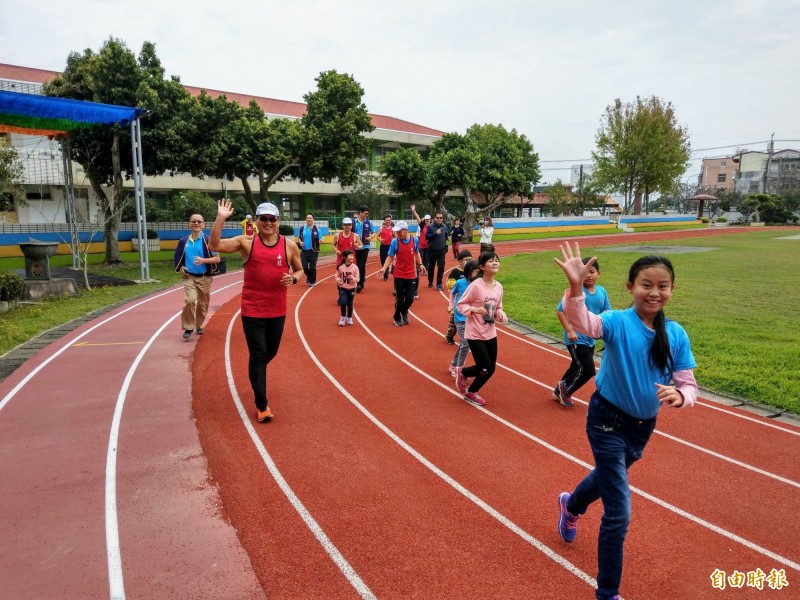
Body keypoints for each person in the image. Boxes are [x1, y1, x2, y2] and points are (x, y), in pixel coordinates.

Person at [553, 242, 697, 600]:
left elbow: (687, 382)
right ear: (630, 287)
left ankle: (571, 506)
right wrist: (575, 288)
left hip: (641, 428)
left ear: (672, 291)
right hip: (606, 420)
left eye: (662, 286)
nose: (654, 292)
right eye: (646, 284)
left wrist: (681, 397)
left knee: (606, 477)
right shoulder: (617, 321)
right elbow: (584, 321)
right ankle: (607, 592)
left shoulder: (675, 334)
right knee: (619, 512)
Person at [209, 200, 304, 423]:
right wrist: (221, 218)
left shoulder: (288, 246)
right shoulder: (246, 243)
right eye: (264, 219)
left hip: (277, 310)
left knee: (269, 353)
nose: (268, 223)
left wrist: (294, 278)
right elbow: (214, 245)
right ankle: (261, 404)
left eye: (272, 219)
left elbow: (300, 270)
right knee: (259, 354)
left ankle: (256, 370)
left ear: (278, 221)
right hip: (252, 310)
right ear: (257, 221)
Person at [553, 257, 612, 407]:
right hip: (576, 338)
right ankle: (566, 391)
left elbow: (607, 312)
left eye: (591, 272)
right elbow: (560, 311)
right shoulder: (576, 291)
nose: (588, 275)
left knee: (576, 366)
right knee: (588, 369)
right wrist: (570, 330)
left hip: (591, 337)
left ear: (599, 273)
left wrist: (607, 334)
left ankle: (557, 390)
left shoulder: (602, 291)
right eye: (584, 272)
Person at [454, 251, 508, 406]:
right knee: (485, 367)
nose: (495, 263)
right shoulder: (475, 286)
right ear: (483, 266)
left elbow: (497, 307)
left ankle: (464, 374)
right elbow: (461, 304)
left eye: (497, 260)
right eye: (491, 261)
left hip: (491, 332)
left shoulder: (499, 287)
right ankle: (471, 389)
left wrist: (501, 314)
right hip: (475, 333)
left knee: (491, 369)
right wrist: (474, 310)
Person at [174, 214, 220, 340]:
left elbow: (217, 258)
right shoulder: (184, 241)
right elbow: (179, 257)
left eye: (199, 221)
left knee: (203, 304)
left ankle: (199, 325)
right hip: (189, 277)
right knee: (189, 300)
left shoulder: (208, 240)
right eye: (193, 221)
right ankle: (188, 327)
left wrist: (203, 260)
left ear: (203, 224)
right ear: (189, 224)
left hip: (205, 278)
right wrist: (182, 266)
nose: (196, 223)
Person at [374, 220, 426, 326]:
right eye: (397, 232)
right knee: (400, 297)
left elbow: (416, 253)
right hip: (399, 274)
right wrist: (384, 268)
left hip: (411, 273)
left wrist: (420, 264)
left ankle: (403, 311)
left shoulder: (414, 240)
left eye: (399, 232)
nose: (397, 234)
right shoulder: (395, 242)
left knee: (410, 298)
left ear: (406, 230)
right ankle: (397, 317)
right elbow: (390, 256)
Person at [448, 259, 480, 378]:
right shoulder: (460, 283)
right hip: (460, 317)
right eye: (475, 272)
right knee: (466, 343)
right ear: (468, 272)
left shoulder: (478, 284)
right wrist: (451, 305)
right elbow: (453, 293)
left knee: (464, 343)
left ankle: (453, 365)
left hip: (472, 318)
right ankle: (459, 369)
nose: (478, 274)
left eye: (479, 271)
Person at [444, 249, 473, 344]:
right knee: (454, 323)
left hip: (470, 301)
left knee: (469, 321)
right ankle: (449, 335)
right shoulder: (456, 272)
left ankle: (468, 339)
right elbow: (449, 282)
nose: (469, 262)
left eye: (470, 259)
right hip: (458, 301)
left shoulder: (473, 271)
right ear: (460, 261)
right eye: (467, 260)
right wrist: (458, 284)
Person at [425, 212, 450, 290]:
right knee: (431, 267)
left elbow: (446, 236)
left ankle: (439, 283)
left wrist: (448, 238)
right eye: (438, 218)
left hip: (441, 250)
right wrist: (435, 233)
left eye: (441, 218)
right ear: (434, 218)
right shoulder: (430, 226)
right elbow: (427, 237)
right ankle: (430, 281)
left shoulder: (445, 227)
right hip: (432, 250)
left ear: (442, 219)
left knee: (441, 267)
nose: (439, 219)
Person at [335, 249, 360, 326]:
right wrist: (338, 280)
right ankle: (342, 317)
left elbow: (358, 278)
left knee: (349, 303)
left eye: (353, 255)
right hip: (343, 288)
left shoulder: (355, 268)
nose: (352, 257)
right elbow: (337, 276)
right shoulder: (341, 267)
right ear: (345, 257)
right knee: (343, 302)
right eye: (350, 255)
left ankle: (349, 317)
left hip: (352, 288)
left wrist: (353, 278)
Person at [410, 204, 430, 297]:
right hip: (421, 247)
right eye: (425, 220)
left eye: (428, 220)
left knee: (426, 261)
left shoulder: (432, 226)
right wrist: (414, 211)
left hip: (429, 247)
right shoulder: (422, 226)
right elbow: (418, 218)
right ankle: (421, 268)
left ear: (430, 220)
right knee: (420, 261)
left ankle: (425, 269)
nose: (426, 221)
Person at [297, 212, 321, 287]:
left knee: (312, 268)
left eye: (310, 218)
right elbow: (299, 238)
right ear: (305, 219)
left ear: (313, 219)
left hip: (313, 251)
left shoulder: (317, 229)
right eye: (307, 218)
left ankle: (312, 281)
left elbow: (321, 238)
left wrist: (321, 241)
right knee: (304, 267)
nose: (309, 219)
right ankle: (309, 277)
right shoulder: (302, 229)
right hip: (304, 251)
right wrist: (300, 242)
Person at [354, 205, 374, 292]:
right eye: (365, 213)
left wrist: (371, 237)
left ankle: (360, 284)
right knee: (357, 265)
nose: (366, 215)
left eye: (367, 214)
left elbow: (373, 233)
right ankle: (360, 279)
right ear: (360, 212)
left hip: (365, 246)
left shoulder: (369, 223)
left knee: (361, 266)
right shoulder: (353, 223)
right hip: (355, 247)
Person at [377, 213, 395, 281]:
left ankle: (386, 275)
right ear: (384, 221)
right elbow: (377, 236)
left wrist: (394, 237)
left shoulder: (393, 229)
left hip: (390, 247)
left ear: (391, 221)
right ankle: (385, 270)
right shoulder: (381, 228)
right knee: (382, 260)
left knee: (388, 259)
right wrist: (380, 239)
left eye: (389, 220)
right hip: (383, 246)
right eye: (387, 220)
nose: (388, 221)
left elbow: (396, 236)